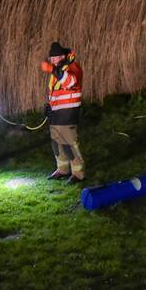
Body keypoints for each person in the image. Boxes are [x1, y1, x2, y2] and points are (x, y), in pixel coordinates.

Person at [41, 41, 86, 183]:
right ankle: (62, 170)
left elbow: (70, 81)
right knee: (57, 142)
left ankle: (78, 174)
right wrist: (49, 106)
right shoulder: (58, 70)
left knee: (69, 143)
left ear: (61, 56)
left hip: (69, 111)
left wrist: (52, 69)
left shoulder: (73, 67)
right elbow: (55, 91)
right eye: (51, 59)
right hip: (57, 112)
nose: (52, 61)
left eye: (54, 58)